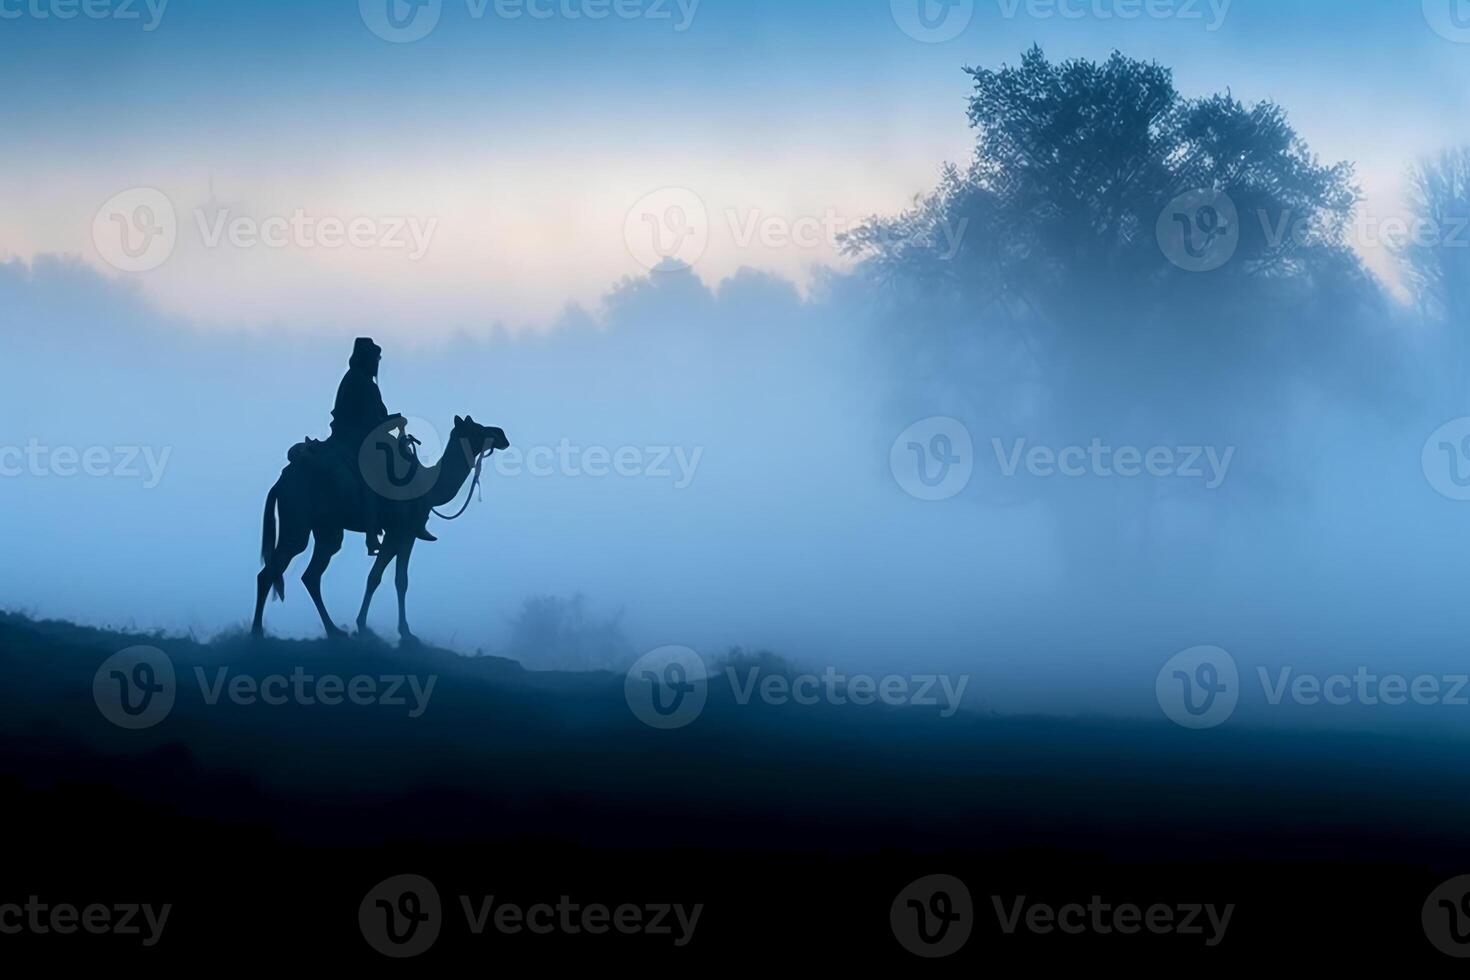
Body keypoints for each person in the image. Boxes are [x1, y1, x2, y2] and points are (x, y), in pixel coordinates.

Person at [329, 338, 436, 555]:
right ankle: (373, 532)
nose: (378, 363)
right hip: (356, 440)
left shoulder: (357, 380)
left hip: (359, 436)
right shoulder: (361, 383)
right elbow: (369, 420)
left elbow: (373, 417)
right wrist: (393, 422)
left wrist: (392, 420)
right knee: (377, 476)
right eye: (376, 358)